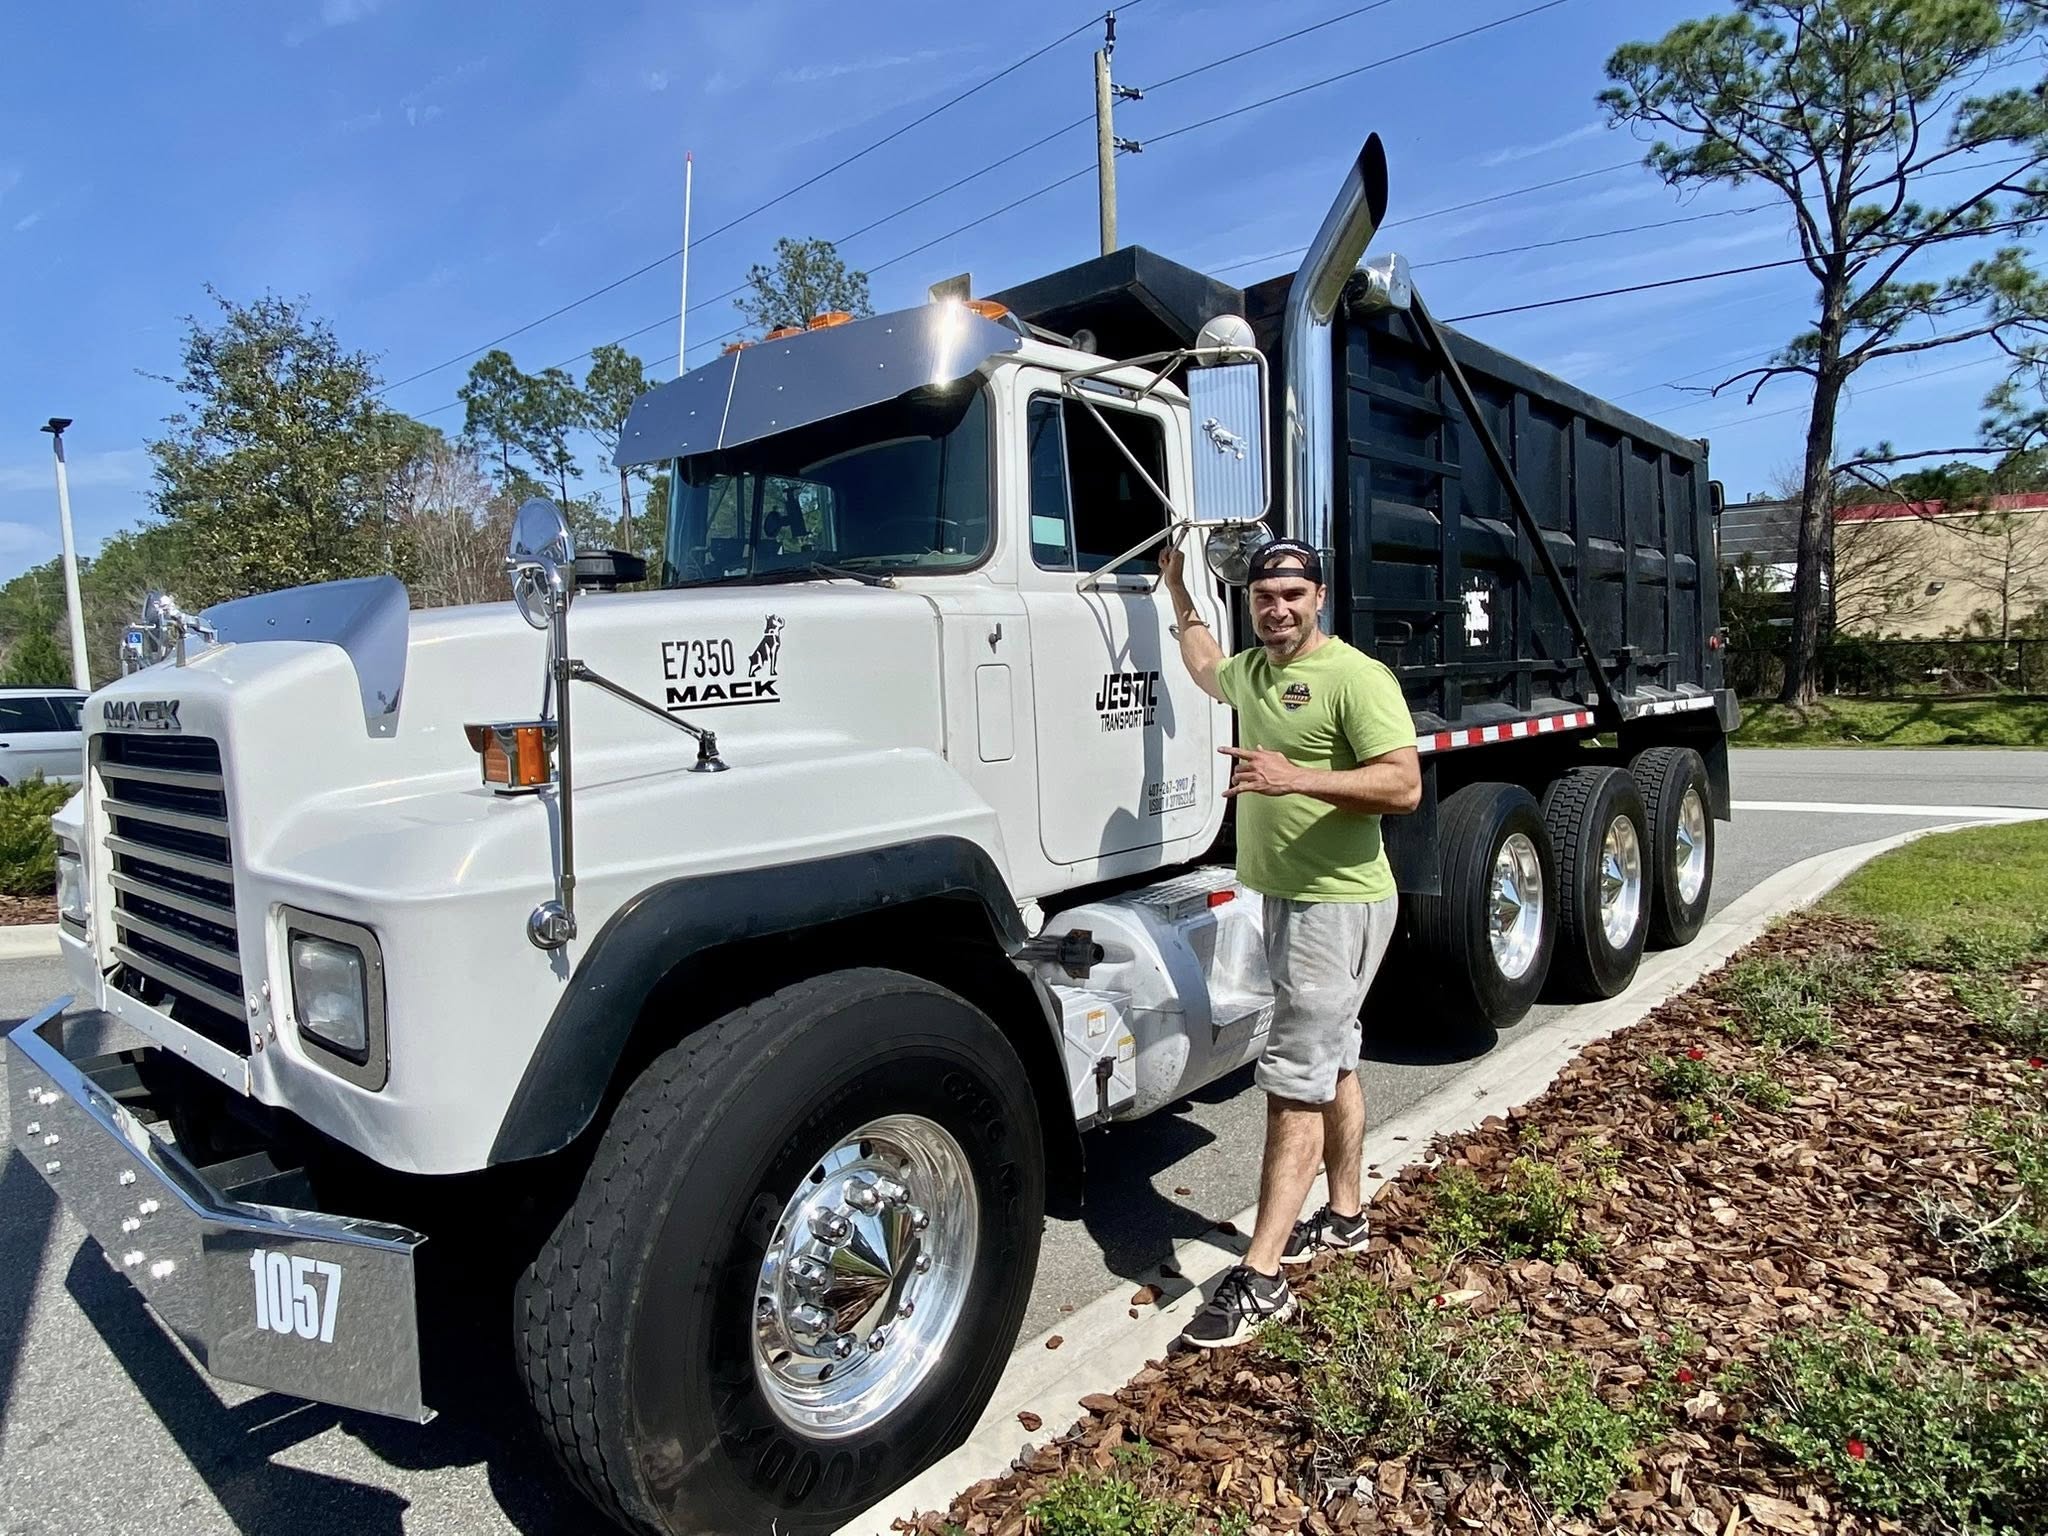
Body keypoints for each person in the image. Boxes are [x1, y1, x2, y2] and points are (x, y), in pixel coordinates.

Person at [1159, 535, 1420, 1348]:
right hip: (1287, 899)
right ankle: (1344, 1219)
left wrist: (1292, 777)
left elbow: (1403, 785)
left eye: (1291, 595)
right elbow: (1206, 666)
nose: (1276, 609)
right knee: (1333, 1059)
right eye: (1264, 597)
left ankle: (1263, 1275)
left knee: (1294, 1080)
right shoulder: (1259, 671)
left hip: (1335, 905)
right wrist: (1178, 595)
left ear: (1320, 597)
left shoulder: (1355, 678)